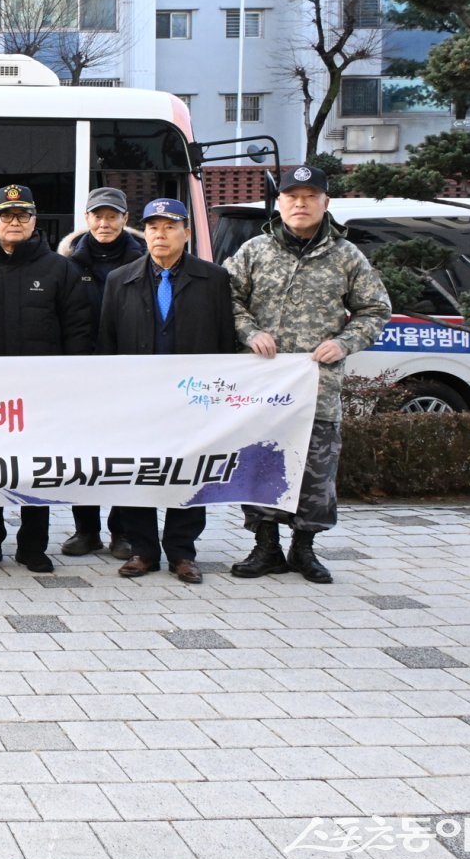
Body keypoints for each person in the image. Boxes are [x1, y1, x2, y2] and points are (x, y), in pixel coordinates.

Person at [225, 165, 391, 584]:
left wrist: (345, 342)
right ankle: (265, 547)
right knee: (260, 463)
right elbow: (225, 297)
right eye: (291, 197)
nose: (300, 204)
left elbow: (376, 309)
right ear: (279, 203)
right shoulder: (254, 250)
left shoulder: (346, 255)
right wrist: (249, 331)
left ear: (325, 203)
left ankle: (304, 549)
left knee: (315, 471)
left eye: (309, 196)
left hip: (318, 386)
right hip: (262, 386)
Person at [99, 198, 238, 584]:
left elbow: (226, 341)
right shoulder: (120, 279)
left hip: (193, 399)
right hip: (136, 398)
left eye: (170, 226)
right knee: (137, 472)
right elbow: (106, 343)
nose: (160, 234)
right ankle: (142, 550)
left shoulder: (214, 279)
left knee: (189, 473)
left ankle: (182, 552)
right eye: (153, 227)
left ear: (186, 233)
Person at [0, 184, 91, 574]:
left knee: (38, 471)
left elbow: (78, 330)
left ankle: (33, 546)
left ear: (34, 221)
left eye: (22, 215)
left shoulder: (59, 268)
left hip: (42, 396)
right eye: (5, 215)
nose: (13, 222)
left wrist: (73, 384)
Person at [57, 186, 145, 561]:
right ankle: (86, 530)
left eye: (112, 216)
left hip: (129, 374)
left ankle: (122, 532)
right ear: (87, 219)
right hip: (81, 374)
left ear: (125, 220)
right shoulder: (68, 263)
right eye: (98, 216)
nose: (105, 223)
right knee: (82, 456)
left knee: (123, 456)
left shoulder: (145, 262)